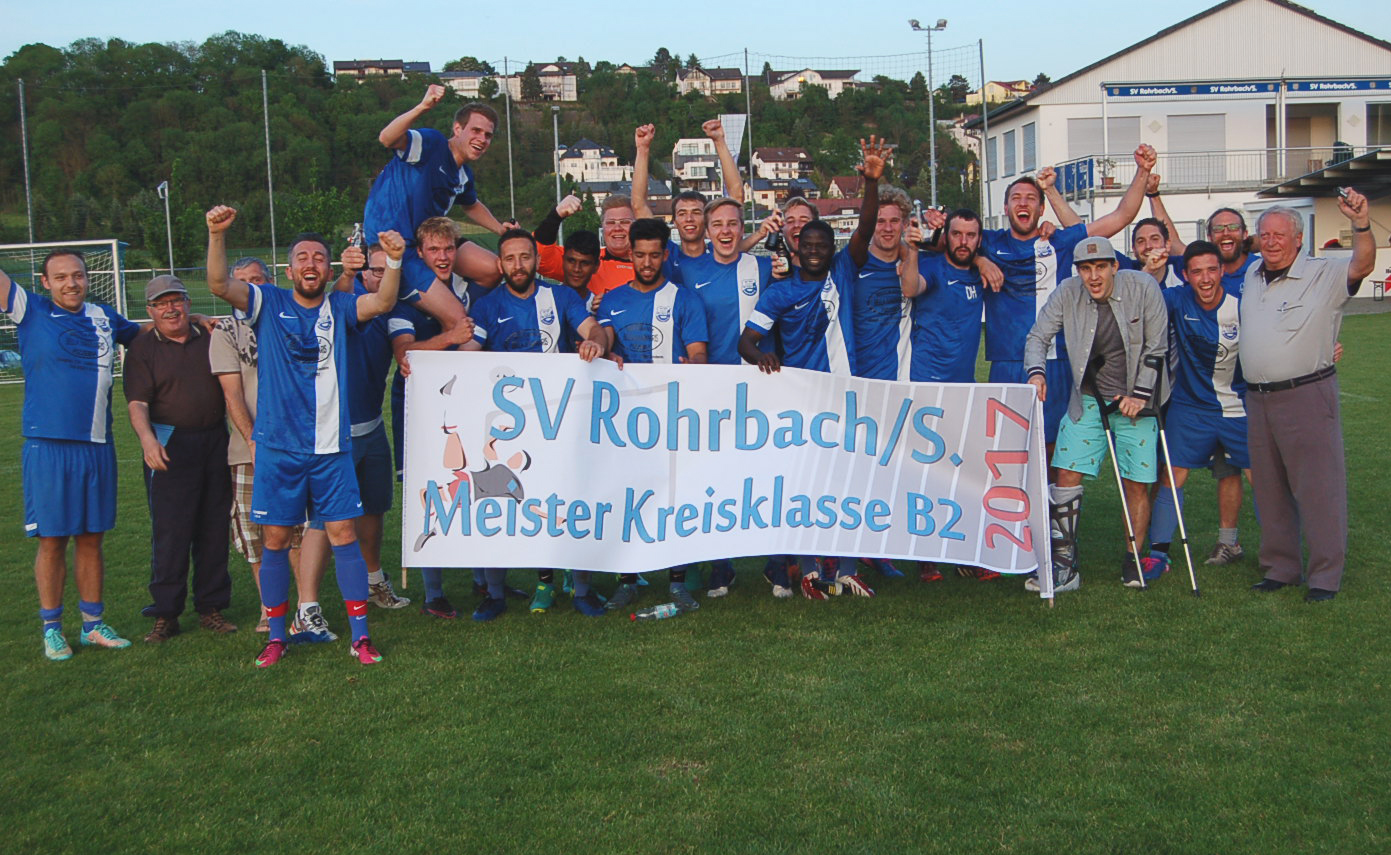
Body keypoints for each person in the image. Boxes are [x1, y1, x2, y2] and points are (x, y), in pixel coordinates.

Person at [205, 205, 403, 667]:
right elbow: (218, 284)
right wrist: (216, 235)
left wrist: (393, 260)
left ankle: (360, 637)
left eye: (318, 257)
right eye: (302, 257)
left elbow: (382, 302)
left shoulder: (340, 306)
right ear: (290, 270)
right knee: (275, 539)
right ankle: (277, 636)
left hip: (331, 447)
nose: (310, 264)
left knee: (343, 534)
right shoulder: (267, 302)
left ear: (328, 270)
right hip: (279, 447)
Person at [461, 228, 612, 618]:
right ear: (500, 264)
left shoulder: (560, 297)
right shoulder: (487, 306)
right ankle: (496, 593)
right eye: (510, 258)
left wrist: (596, 342)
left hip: (556, 421)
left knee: (569, 500)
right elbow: (468, 353)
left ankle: (581, 589)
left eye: (525, 257)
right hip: (507, 427)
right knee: (500, 504)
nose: (518, 265)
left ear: (536, 260)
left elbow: (591, 328)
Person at [2, 251, 139, 660]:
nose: (71, 283)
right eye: (60, 277)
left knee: (92, 538)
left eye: (77, 275)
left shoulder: (104, 316)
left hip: (97, 445)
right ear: (45, 282)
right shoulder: (31, 310)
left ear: (87, 278)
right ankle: (52, 629)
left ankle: (93, 625)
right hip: (48, 446)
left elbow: (148, 336)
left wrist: (196, 320)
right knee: (52, 540)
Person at [1241, 194, 1375, 603]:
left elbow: (1362, 264)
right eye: (1265, 235)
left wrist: (1361, 224)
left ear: (1298, 238)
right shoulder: (1251, 274)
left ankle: (1324, 576)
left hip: (1306, 395)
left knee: (1319, 488)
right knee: (1270, 489)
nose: (1271, 241)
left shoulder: (1323, 273)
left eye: (1280, 235)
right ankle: (1281, 568)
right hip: (1258, 400)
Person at [978, 146, 1157, 448]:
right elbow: (951, 243)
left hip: (1057, 359)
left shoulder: (1060, 241)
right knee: (1005, 446)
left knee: (1053, 445)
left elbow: (1121, 216)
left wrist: (1142, 171)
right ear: (1005, 208)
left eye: (1031, 198)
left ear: (1041, 209)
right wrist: (979, 260)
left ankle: (1056, 482)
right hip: (1006, 359)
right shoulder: (988, 241)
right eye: (1016, 198)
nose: (1023, 203)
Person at [1024, 236, 1168, 592]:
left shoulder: (1143, 287)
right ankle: (1064, 565)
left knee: (1136, 482)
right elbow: (1038, 336)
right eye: (1086, 269)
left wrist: (1140, 395)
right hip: (1088, 396)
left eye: (1101, 267)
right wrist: (1036, 372)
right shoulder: (1067, 292)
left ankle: (1133, 557)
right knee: (1066, 472)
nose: (1093, 276)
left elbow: (1157, 347)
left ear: (1115, 266)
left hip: (1138, 399)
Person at [595, 217, 709, 613]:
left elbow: (698, 353)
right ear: (630, 253)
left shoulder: (684, 300)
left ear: (665, 255)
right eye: (640, 255)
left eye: (654, 255)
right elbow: (603, 337)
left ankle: (677, 582)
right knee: (629, 498)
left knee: (675, 497)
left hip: (673, 414)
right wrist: (599, 348)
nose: (646, 263)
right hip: (627, 419)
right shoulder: (613, 299)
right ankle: (628, 580)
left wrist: (695, 366)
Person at [123, 274, 236, 643]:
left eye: (176, 301)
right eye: (161, 304)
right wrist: (147, 441)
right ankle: (166, 613)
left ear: (188, 303)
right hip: (170, 443)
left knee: (214, 528)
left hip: (215, 440)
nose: (170, 309)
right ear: (150, 310)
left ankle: (211, 607)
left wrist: (204, 320)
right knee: (171, 532)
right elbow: (137, 402)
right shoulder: (142, 348)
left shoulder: (211, 335)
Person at [208, 259, 317, 634]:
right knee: (257, 535)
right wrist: (254, 439)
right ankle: (269, 609)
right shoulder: (225, 330)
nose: (250, 288)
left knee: (299, 531)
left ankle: (304, 608)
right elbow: (232, 394)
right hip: (248, 451)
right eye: (242, 282)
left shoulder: (291, 320)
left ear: (270, 283)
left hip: (297, 447)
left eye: (257, 280)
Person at [387, 218, 485, 619]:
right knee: (430, 493)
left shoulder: (472, 290)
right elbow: (404, 354)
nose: (442, 257)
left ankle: (484, 579)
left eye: (448, 249)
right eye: (433, 250)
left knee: (476, 485)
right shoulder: (405, 297)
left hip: (468, 404)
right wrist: (450, 337)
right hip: (421, 409)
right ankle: (434, 592)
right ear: (420, 254)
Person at [1145, 241, 1250, 574]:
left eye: (1211, 270)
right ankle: (1158, 554)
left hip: (1239, 406)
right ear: (1185, 275)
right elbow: (1141, 301)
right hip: (1190, 406)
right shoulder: (1177, 299)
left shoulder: (1243, 304)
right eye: (1197, 272)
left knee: (1256, 475)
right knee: (1172, 474)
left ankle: (1263, 551)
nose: (1205, 279)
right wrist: (1152, 269)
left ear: (1222, 271)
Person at [364, 84, 503, 330]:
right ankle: (447, 317)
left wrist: (502, 230)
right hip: (394, 248)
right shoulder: (433, 144)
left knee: (494, 269)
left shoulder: (463, 175)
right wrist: (423, 106)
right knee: (459, 321)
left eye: (488, 135)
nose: (482, 139)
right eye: (476, 130)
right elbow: (387, 138)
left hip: (426, 244)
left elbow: (471, 205)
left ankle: (452, 307)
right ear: (457, 129)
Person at [326, 242, 412, 612]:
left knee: (374, 509)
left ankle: (374, 582)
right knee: (326, 521)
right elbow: (337, 300)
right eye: (376, 270)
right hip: (335, 433)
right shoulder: (349, 302)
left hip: (373, 427)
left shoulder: (394, 309)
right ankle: (310, 602)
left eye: (389, 270)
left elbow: (407, 348)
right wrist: (346, 274)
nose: (382, 277)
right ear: (364, 274)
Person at [903, 208, 987, 584]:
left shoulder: (980, 272)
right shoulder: (932, 266)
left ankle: (962, 551)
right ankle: (925, 554)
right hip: (926, 384)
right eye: (956, 234)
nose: (963, 242)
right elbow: (909, 288)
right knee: (927, 473)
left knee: (961, 472)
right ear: (946, 236)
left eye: (971, 235)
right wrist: (913, 248)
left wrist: (984, 261)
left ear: (979, 239)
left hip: (964, 387)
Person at [632, 119, 747, 282]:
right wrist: (643, 149)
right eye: (682, 213)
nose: (689, 219)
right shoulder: (667, 254)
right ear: (674, 222)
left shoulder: (720, 251)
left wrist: (719, 141)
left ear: (707, 220)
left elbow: (737, 195)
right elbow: (638, 205)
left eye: (696, 212)